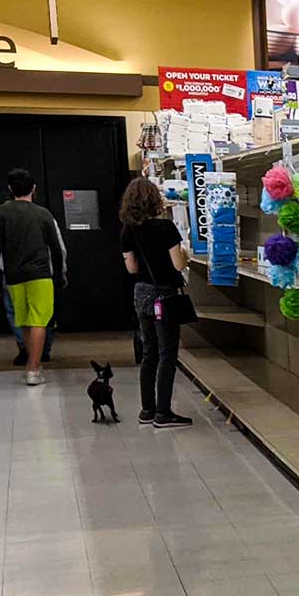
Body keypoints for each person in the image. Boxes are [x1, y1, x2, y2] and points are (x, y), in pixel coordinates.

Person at [119, 177, 192, 428]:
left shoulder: (127, 231)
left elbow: (131, 268)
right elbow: (178, 264)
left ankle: (147, 410)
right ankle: (164, 412)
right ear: (155, 200)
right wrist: (186, 254)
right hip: (165, 295)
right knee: (167, 353)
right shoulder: (166, 227)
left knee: (149, 352)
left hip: (141, 293)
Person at [0, 169, 67, 386]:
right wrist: (59, 275)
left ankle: (31, 365)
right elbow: (56, 249)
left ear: (11, 189)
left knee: (22, 320)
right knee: (39, 321)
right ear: (34, 189)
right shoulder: (43, 214)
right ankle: (33, 369)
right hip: (40, 274)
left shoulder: (1, 213)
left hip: (13, 276)